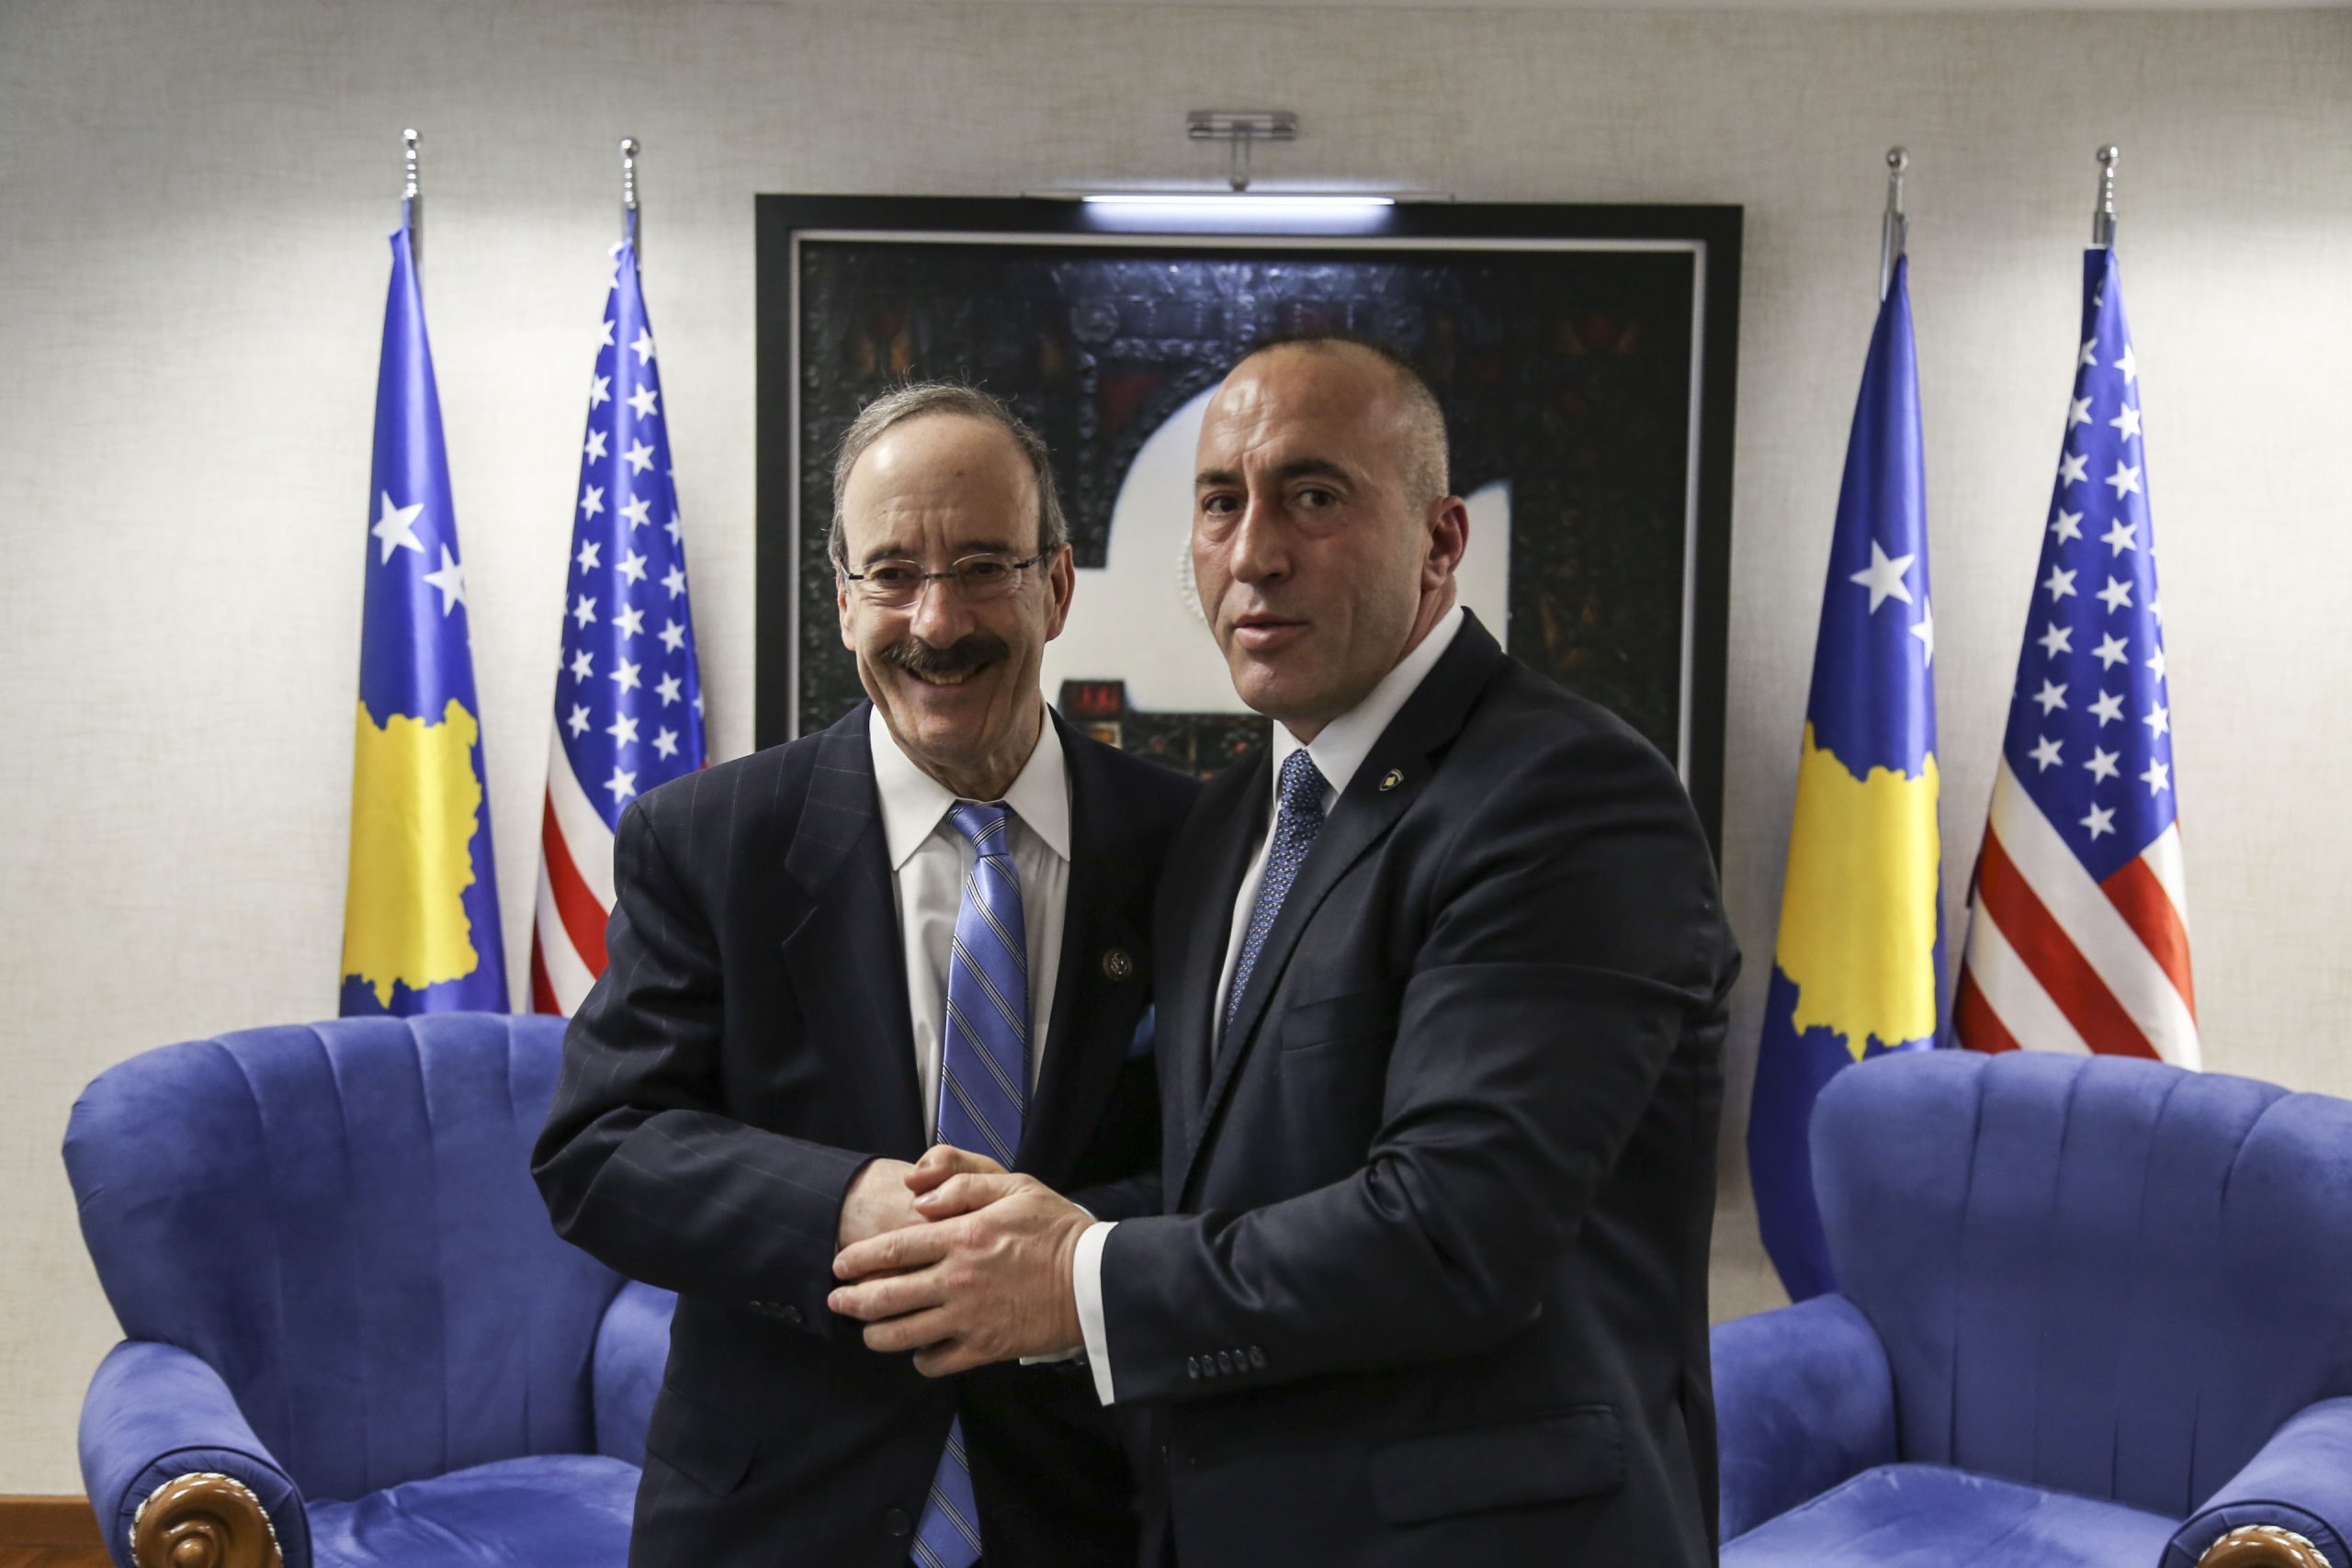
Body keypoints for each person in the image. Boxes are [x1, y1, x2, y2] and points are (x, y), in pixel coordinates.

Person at [829, 336, 1740, 1565]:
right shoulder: (1226, 824)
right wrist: (999, 1237)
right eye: (1221, 503)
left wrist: (1078, 1274)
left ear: (1441, 542)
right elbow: (1234, 1179)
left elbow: (1454, 1235)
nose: (1254, 552)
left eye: (1313, 497)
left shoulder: (1569, 799)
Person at [534, 383, 1198, 1568]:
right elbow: (602, 1147)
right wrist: (846, 1209)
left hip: (1094, 1514)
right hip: (771, 1520)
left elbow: (1244, 1158)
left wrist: (1066, 1258)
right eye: (892, 574)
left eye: (984, 566)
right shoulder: (710, 840)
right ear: (844, 603)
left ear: (1057, 585)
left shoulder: (1194, 847)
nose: (937, 621)